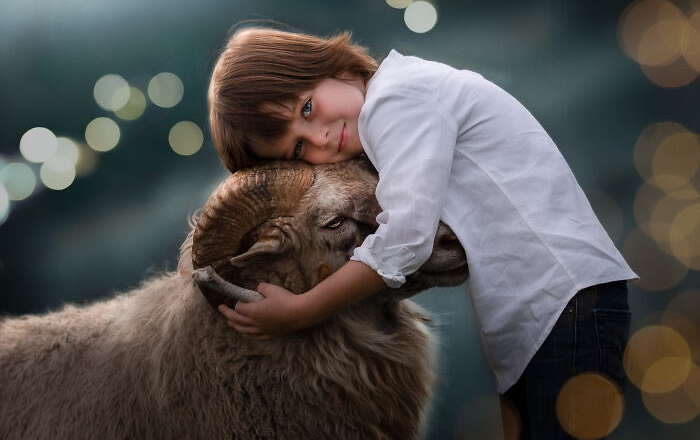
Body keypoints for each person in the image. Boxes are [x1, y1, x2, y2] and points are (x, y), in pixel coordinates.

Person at [207, 25, 639, 439]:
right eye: (298, 149)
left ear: (331, 65)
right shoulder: (395, 107)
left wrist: (305, 310)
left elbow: (407, 239)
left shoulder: (397, 100)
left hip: (566, 304)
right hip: (544, 314)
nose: (320, 137)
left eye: (306, 108)